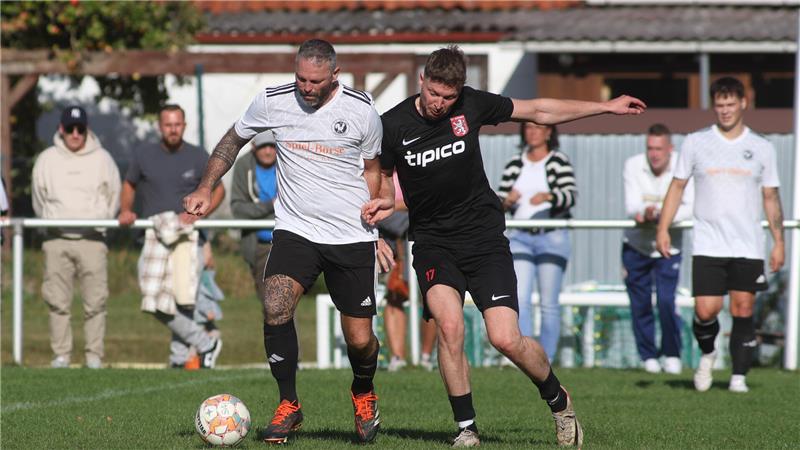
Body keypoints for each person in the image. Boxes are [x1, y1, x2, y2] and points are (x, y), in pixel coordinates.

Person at [374, 45, 645, 447]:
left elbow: (539, 110)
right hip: (432, 241)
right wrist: (376, 229)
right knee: (450, 328)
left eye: (449, 97)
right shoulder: (392, 124)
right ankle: (466, 428)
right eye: (434, 93)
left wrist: (605, 106)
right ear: (422, 81)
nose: (440, 104)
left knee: (505, 338)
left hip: (483, 239)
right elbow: (379, 177)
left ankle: (558, 399)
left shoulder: (471, 105)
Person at [182, 39, 394, 444]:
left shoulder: (362, 109)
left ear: (335, 74)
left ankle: (363, 391)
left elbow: (373, 170)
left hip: (350, 235)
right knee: (275, 305)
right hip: (296, 229)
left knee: (360, 340)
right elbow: (233, 139)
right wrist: (207, 186)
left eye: (315, 80)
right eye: (300, 77)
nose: (306, 87)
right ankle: (289, 404)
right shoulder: (272, 100)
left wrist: (376, 230)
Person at [657, 77, 784, 393]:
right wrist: (663, 227)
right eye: (720, 105)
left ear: (744, 103)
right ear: (714, 106)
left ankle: (738, 377)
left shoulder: (762, 147)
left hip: (747, 244)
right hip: (708, 241)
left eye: (731, 104)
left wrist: (779, 242)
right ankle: (709, 353)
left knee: (743, 308)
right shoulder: (696, 142)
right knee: (705, 310)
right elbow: (677, 186)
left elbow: (770, 196)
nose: (725, 110)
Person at [118, 104, 226, 369]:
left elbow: (218, 190)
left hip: (189, 238)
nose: (173, 129)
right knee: (152, 298)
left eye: (177, 124)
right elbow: (129, 184)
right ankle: (204, 341)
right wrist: (125, 209)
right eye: (168, 124)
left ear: (184, 125)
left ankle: (179, 359)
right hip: (154, 237)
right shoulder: (144, 155)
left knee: (184, 299)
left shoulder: (198, 156)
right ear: (160, 126)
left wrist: (199, 216)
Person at [32, 105, 121, 369]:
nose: (74, 134)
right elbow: (39, 198)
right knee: (57, 301)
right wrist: (52, 223)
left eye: (79, 129)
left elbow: (113, 195)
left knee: (96, 301)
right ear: (61, 128)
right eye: (69, 128)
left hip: (92, 240)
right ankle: (61, 355)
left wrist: (100, 220)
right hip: (56, 240)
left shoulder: (103, 159)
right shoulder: (47, 159)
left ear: (86, 129)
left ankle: (94, 356)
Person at [497, 122, 576, 364]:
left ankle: (547, 357)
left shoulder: (558, 161)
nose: (532, 133)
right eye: (528, 128)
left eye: (538, 128)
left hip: (551, 234)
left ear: (549, 132)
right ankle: (524, 355)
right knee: (520, 296)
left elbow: (570, 196)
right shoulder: (515, 163)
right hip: (520, 235)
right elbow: (497, 203)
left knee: (548, 302)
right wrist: (507, 201)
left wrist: (550, 196)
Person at [623, 123, 694, 374]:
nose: (654, 154)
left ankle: (672, 353)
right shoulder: (633, 165)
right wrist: (645, 212)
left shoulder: (683, 166)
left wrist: (662, 215)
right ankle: (648, 357)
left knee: (666, 301)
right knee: (640, 303)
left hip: (669, 246)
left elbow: (689, 206)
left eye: (659, 148)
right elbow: (632, 205)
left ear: (670, 148)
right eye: (650, 148)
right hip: (636, 244)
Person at [381, 173, 438, 372]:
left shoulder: (417, 161)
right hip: (393, 244)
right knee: (395, 296)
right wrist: (404, 205)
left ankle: (425, 356)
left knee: (431, 298)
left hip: (423, 237)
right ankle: (397, 357)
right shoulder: (380, 169)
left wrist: (391, 206)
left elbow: (429, 198)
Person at [230, 130, 278, 303]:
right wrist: (270, 205)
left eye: (272, 146)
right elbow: (238, 209)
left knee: (283, 300)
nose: (268, 151)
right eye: (263, 146)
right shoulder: (244, 166)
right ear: (253, 147)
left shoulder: (288, 162)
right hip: (260, 244)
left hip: (289, 241)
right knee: (270, 303)